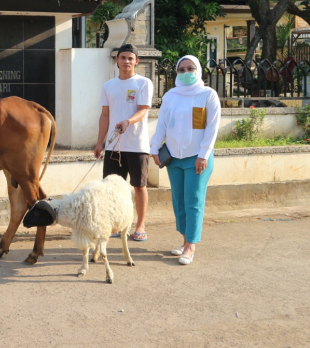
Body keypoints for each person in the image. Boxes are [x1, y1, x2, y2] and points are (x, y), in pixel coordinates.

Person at [150, 55, 220, 265]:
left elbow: (212, 128)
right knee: (179, 201)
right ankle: (184, 240)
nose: (186, 72)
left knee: (194, 201)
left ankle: (191, 246)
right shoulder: (171, 96)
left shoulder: (208, 95)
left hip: (197, 158)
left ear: (198, 70)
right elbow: (162, 124)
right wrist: (154, 147)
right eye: (182, 69)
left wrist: (203, 155)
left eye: (190, 68)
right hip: (173, 157)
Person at [94, 43, 153, 241]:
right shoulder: (108, 86)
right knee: (112, 187)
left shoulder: (143, 83)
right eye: (123, 58)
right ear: (116, 60)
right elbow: (104, 116)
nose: (126, 61)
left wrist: (128, 121)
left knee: (139, 186)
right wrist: (99, 142)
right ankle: (117, 225)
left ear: (137, 61)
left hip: (137, 145)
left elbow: (144, 109)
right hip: (113, 147)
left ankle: (140, 225)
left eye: (130, 58)